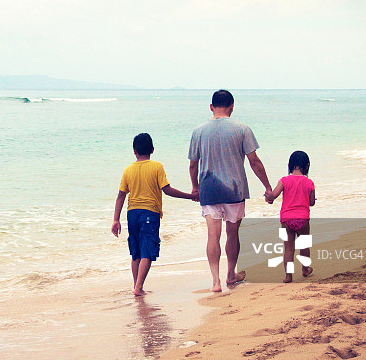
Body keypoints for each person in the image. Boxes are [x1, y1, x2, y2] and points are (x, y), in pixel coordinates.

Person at [189, 90, 273, 292]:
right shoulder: (242, 129)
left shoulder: (198, 131)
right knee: (232, 233)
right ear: (232, 107)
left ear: (211, 107)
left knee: (213, 235)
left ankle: (215, 281)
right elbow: (255, 162)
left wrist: (195, 187)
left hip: (209, 188)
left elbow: (193, 165)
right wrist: (268, 187)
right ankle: (230, 274)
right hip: (235, 189)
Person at [112, 133, 194, 296]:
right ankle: (138, 288)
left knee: (135, 252)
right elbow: (167, 190)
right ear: (153, 149)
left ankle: (137, 285)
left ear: (134, 151)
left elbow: (121, 195)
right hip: (150, 213)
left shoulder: (128, 170)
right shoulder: (157, 166)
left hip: (132, 213)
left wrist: (115, 219)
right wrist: (190, 196)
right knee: (148, 250)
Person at [266, 150, 316, 283]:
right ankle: (305, 270)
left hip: (287, 220)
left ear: (290, 165)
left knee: (288, 248)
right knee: (304, 246)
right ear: (307, 166)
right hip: (303, 219)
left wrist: (268, 196)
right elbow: (311, 203)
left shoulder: (284, 180)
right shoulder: (309, 183)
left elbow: (273, 195)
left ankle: (288, 276)